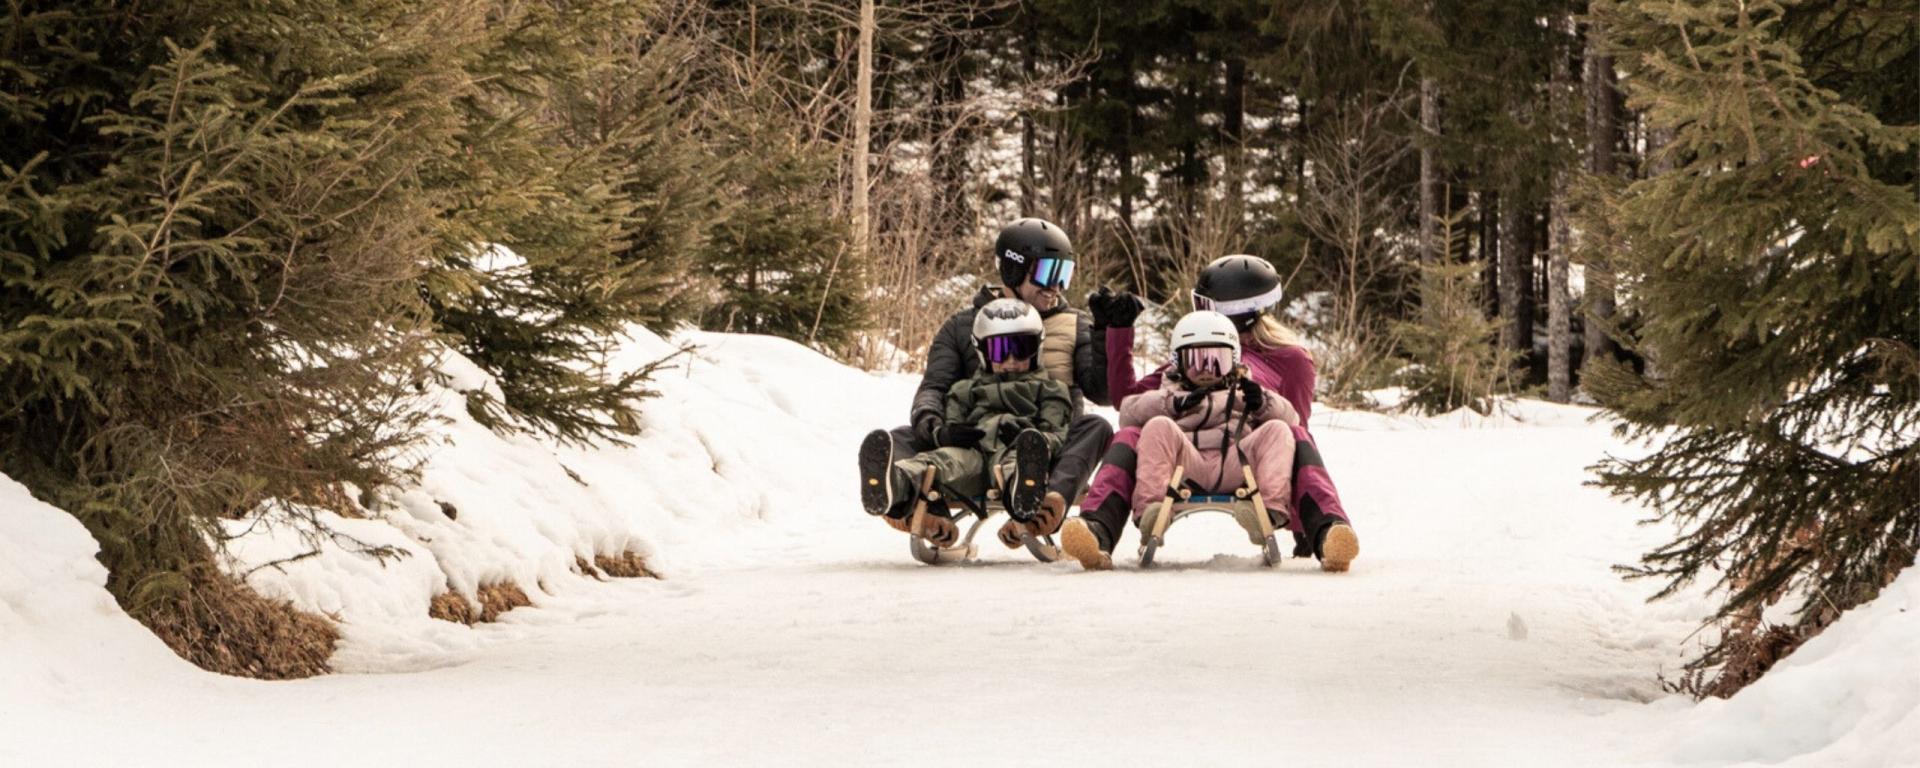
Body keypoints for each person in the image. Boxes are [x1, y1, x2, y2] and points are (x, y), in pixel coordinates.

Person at [1061, 254, 1358, 571]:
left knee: (1292, 433)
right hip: (1184, 457)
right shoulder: (1190, 358)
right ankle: (1098, 527)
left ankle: (1327, 529)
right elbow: (1130, 403)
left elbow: (1296, 428)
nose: (1207, 368)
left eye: (1203, 305)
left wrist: (1300, 525)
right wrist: (1116, 333)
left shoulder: (1286, 360)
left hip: (1243, 460)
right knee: (1132, 434)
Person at [858, 218, 1114, 545]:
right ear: (1012, 269)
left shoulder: (1075, 324)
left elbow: (1103, 393)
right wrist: (938, 428)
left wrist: (1108, 333)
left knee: (1097, 426)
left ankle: (1045, 504)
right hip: (972, 443)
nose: (1056, 287)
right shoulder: (962, 327)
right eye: (1047, 274)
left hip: (1048, 448)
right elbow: (934, 389)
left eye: (1063, 275)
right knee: (901, 437)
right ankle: (911, 502)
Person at [865, 299, 1075, 546]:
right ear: (982, 352)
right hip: (972, 453)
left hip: (1017, 450)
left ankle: (1022, 487)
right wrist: (948, 433)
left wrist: (1033, 436)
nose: (1010, 359)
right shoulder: (964, 390)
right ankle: (895, 482)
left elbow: (1057, 432)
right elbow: (952, 422)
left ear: (1037, 348)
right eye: (999, 350)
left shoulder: (1050, 390)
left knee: (1016, 463)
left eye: (1021, 348)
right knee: (940, 461)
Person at [1116, 311, 1302, 547]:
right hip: (1186, 464)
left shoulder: (1245, 391)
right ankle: (1153, 512)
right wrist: (1171, 404)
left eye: (1217, 362)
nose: (1206, 370)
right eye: (1195, 362)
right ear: (1178, 362)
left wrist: (1263, 402)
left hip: (1236, 462)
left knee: (1278, 429)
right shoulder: (1170, 391)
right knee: (1157, 426)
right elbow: (1127, 413)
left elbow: (1292, 419)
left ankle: (1267, 512)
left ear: (1233, 361)